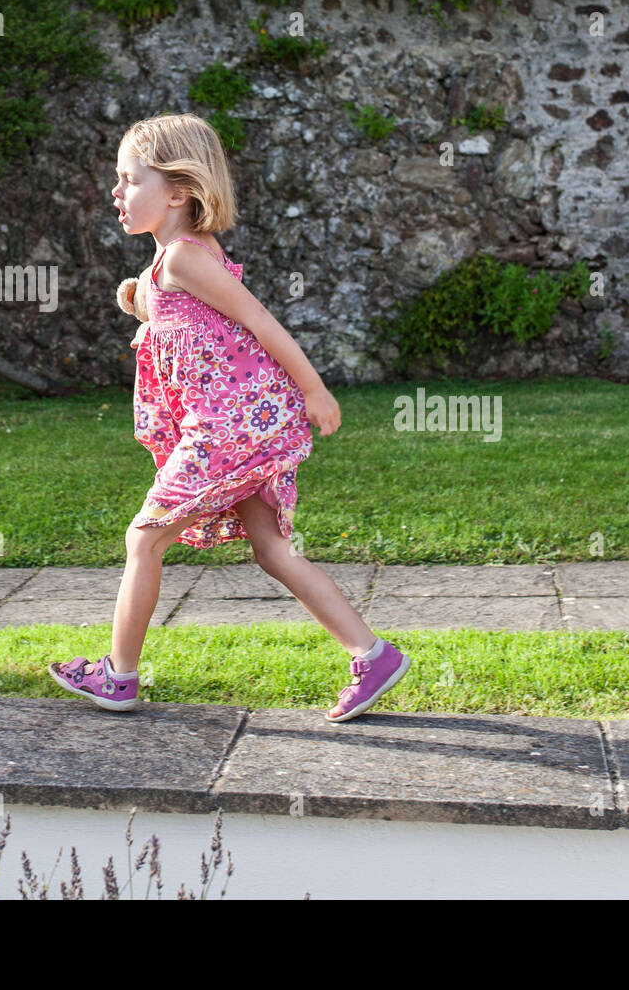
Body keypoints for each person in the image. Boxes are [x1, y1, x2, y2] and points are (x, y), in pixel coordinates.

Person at [49, 112, 410, 722]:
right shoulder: (178, 259)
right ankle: (371, 655)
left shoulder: (185, 260)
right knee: (271, 549)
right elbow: (195, 327)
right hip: (243, 424)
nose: (116, 192)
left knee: (144, 538)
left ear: (179, 192)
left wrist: (316, 390)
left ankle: (119, 676)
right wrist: (139, 301)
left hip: (227, 429)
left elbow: (260, 322)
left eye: (129, 179)